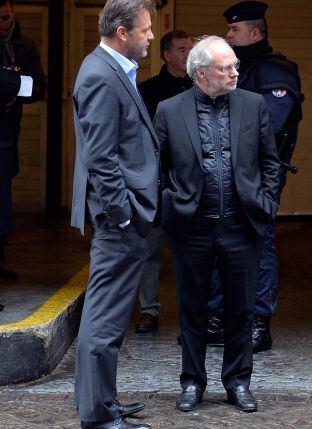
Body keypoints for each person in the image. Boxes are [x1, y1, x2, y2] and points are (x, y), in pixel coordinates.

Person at [154, 35, 281, 413]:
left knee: (241, 309)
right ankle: (192, 382)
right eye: (226, 67)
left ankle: (238, 382)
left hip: (241, 226)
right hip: (190, 227)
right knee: (192, 309)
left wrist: (266, 203)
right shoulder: (169, 110)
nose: (234, 73)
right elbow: (155, 168)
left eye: (235, 66)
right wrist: (168, 205)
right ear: (202, 72)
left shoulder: (253, 104)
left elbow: (270, 162)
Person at [70, 0, 157, 428]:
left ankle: (100, 402)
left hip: (123, 216)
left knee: (106, 317)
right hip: (118, 220)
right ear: (122, 32)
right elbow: (101, 158)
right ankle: (98, 416)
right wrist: (122, 215)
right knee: (103, 320)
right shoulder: (102, 77)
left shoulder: (108, 69)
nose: (151, 37)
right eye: (145, 30)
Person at [202, 0, 302, 352]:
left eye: (234, 30)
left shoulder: (275, 72)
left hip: (257, 174)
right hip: (223, 171)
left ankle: (259, 323)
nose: (228, 35)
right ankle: (218, 319)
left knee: (257, 244)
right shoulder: (237, 70)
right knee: (219, 242)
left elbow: (267, 126)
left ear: (254, 32)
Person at [133, 30, 194, 334]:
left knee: (193, 251)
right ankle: (149, 310)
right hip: (156, 182)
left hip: (190, 183)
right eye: (183, 50)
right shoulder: (147, 91)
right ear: (167, 54)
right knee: (150, 249)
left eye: (191, 49)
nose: (189, 55)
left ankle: (195, 314)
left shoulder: (201, 87)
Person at [0, 0, 45, 280]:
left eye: (4, 18)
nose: (1, 23)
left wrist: (15, 89)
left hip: (5, 134)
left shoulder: (24, 46)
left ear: (12, 14)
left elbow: (40, 87)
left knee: (3, 199)